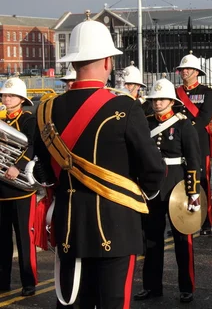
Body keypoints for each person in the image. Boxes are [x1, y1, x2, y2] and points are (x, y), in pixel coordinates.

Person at [33, 16, 166, 308]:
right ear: (108, 61)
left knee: (71, 303)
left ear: (73, 63)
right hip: (116, 228)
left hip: (69, 228)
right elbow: (154, 170)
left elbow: (43, 171)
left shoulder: (46, 110)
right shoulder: (125, 107)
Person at [134, 79, 203, 304]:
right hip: (153, 187)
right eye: (154, 99)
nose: (157, 103)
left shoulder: (183, 125)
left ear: (171, 101)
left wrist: (193, 191)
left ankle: (187, 286)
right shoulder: (145, 123)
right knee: (152, 239)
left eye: (162, 99)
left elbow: (193, 159)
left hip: (177, 185)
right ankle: (151, 286)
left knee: (183, 238)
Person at [0, 77, 37, 296]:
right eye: (5, 95)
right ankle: (3, 281)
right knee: (2, 239)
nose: (7, 98)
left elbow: (32, 145)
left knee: (24, 238)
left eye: (11, 95)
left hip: (21, 190)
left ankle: (29, 281)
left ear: (21, 100)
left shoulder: (27, 120)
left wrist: (18, 165)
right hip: (1, 189)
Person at [174, 51, 212, 235]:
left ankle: (206, 221)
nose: (185, 72)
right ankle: (181, 217)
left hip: (199, 141)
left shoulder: (207, 92)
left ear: (197, 72)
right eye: (183, 69)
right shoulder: (175, 93)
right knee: (181, 180)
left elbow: (205, 117)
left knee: (202, 180)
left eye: (189, 69)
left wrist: (187, 130)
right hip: (177, 142)